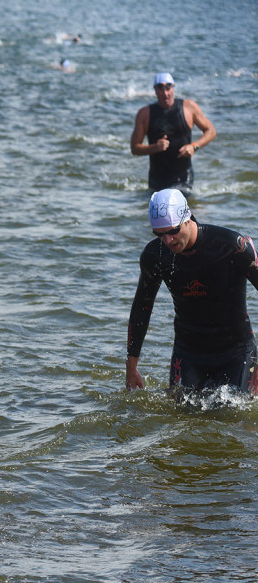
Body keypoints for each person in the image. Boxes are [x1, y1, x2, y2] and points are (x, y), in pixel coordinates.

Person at [125, 189, 258, 397]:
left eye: (173, 231)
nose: (168, 240)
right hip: (188, 354)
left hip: (235, 352)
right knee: (180, 422)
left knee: (233, 421)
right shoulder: (155, 256)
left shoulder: (233, 247)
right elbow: (142, 307)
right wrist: (131, 366)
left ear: (187, 218)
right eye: (160, 234)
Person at [130, 73, 216, 192]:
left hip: (183, 179)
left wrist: (193, 147)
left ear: (173, 88)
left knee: (178, 206)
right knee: (157, 209)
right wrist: (155, 147)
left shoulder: (189, 108)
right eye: (160, 89)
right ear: (155, 91)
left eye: (168, 88)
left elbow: (210, 131)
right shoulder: (144, 114)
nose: (165, 93)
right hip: (157, 180)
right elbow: (135, 148)